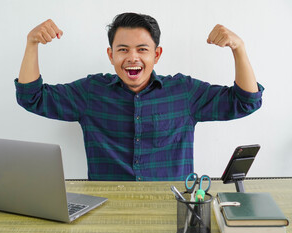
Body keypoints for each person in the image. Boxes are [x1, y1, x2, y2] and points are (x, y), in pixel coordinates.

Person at [15, 13, 264, 181]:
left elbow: (246, 101)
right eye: (123, 50)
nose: (133, 57)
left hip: (172, 209)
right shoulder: (90, 93)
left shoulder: (184, 92)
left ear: (156, 55)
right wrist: (31, 43)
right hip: (107, 211)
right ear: (111, 55)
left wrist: (238, 48)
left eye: (142, 49)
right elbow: (32, 97)